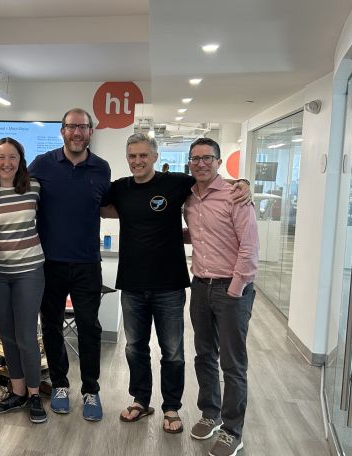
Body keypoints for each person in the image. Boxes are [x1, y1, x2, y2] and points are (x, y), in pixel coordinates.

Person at [102, 134, 251, 434]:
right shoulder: (119, 188)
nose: (138, 161)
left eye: (144, 155)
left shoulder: (177, 183)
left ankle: (171, 406)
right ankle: (140, 400)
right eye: (132, 156)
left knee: (172, 351)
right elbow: (97, 206)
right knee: (135, 348)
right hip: (132, 284)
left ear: (155, 156)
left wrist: (243, 183)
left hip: (169, 285)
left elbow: (213, 180)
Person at [28, 108, 111, 421]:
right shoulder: (42, 164)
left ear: (90, 131)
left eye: (83, 127)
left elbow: (109, 206)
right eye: (71, 127)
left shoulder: (101, 168)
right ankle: (60, 385)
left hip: (88, 263)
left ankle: (91, 389)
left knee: (90, 327)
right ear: (62, 131)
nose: (77, 132)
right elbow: (14, 187)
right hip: (49, 263)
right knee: (51, 326)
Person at [184, 138, 259, 456]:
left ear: (217, 162)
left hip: (232, 289)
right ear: (189, 162)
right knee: (203, 356)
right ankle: (210, 414)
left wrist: (236, 288)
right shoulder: (189, 199)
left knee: (232, 363)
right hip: (200, 285)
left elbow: (250, 247)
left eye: (207, 158)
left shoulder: (236, 195)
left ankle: (232, 430)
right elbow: (199, 234)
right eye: (195, 159)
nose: (201, 163)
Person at [0, 137, 47, 424]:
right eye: (1, 158)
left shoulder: (34, 187)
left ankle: (34, 395)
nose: (7, 163)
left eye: (12, 157)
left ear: (21, 160)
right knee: (6, 335)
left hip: (29, 270)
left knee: (26, 336)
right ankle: (17, 392)